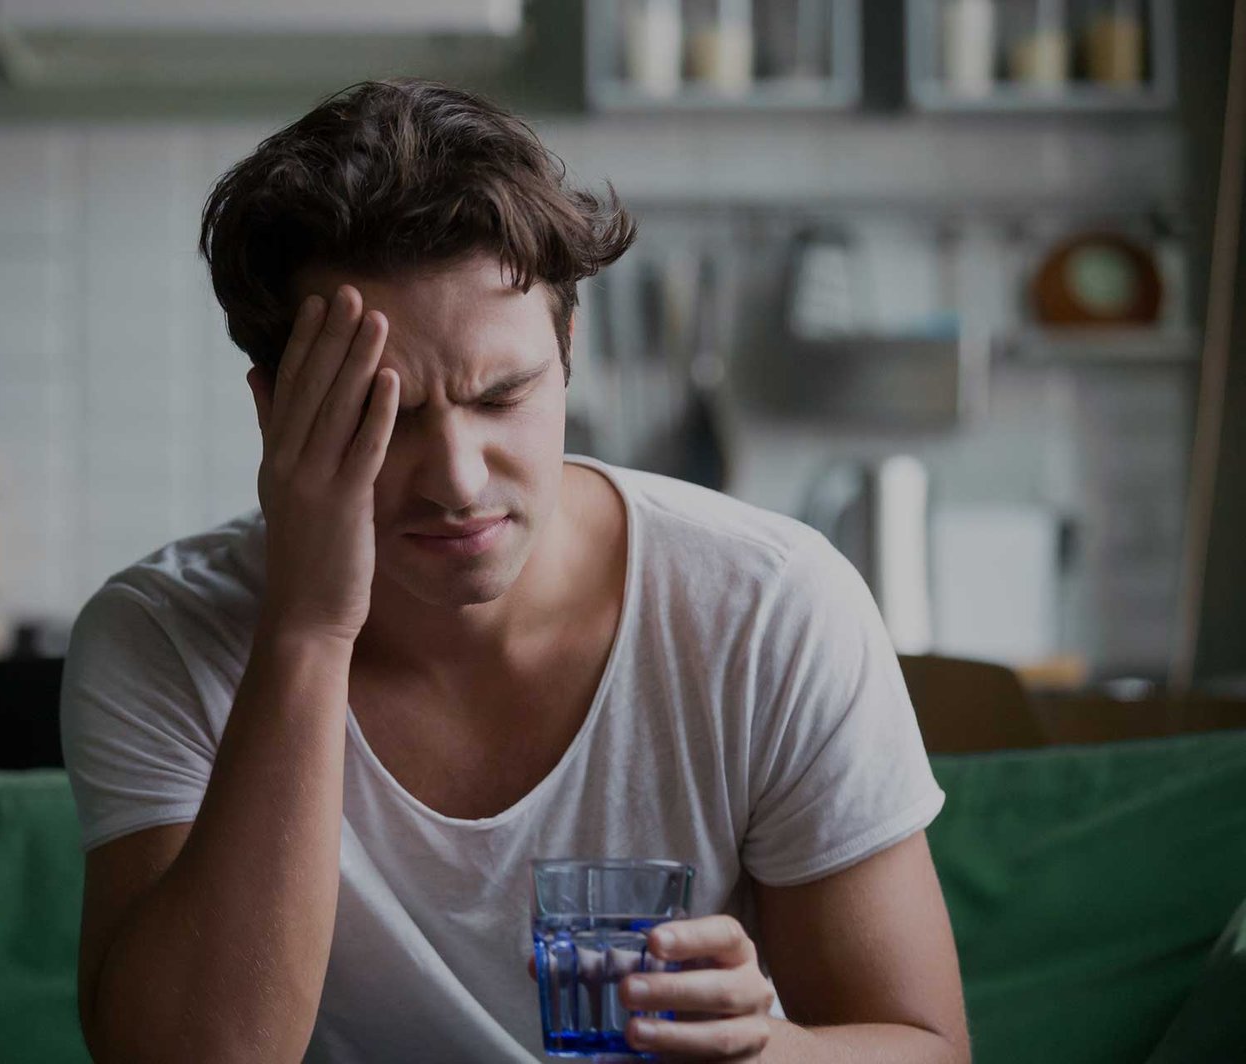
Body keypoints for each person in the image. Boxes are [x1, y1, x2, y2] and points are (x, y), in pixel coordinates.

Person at [61, 79, 970, 1064]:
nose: (457, 477)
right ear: (276, 412)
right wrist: (308, 629)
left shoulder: (767, 607)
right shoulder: (159, 634)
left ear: (567, 349)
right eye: (386, 412)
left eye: (504, 394)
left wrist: (763, 1051)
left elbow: (928, 1047)